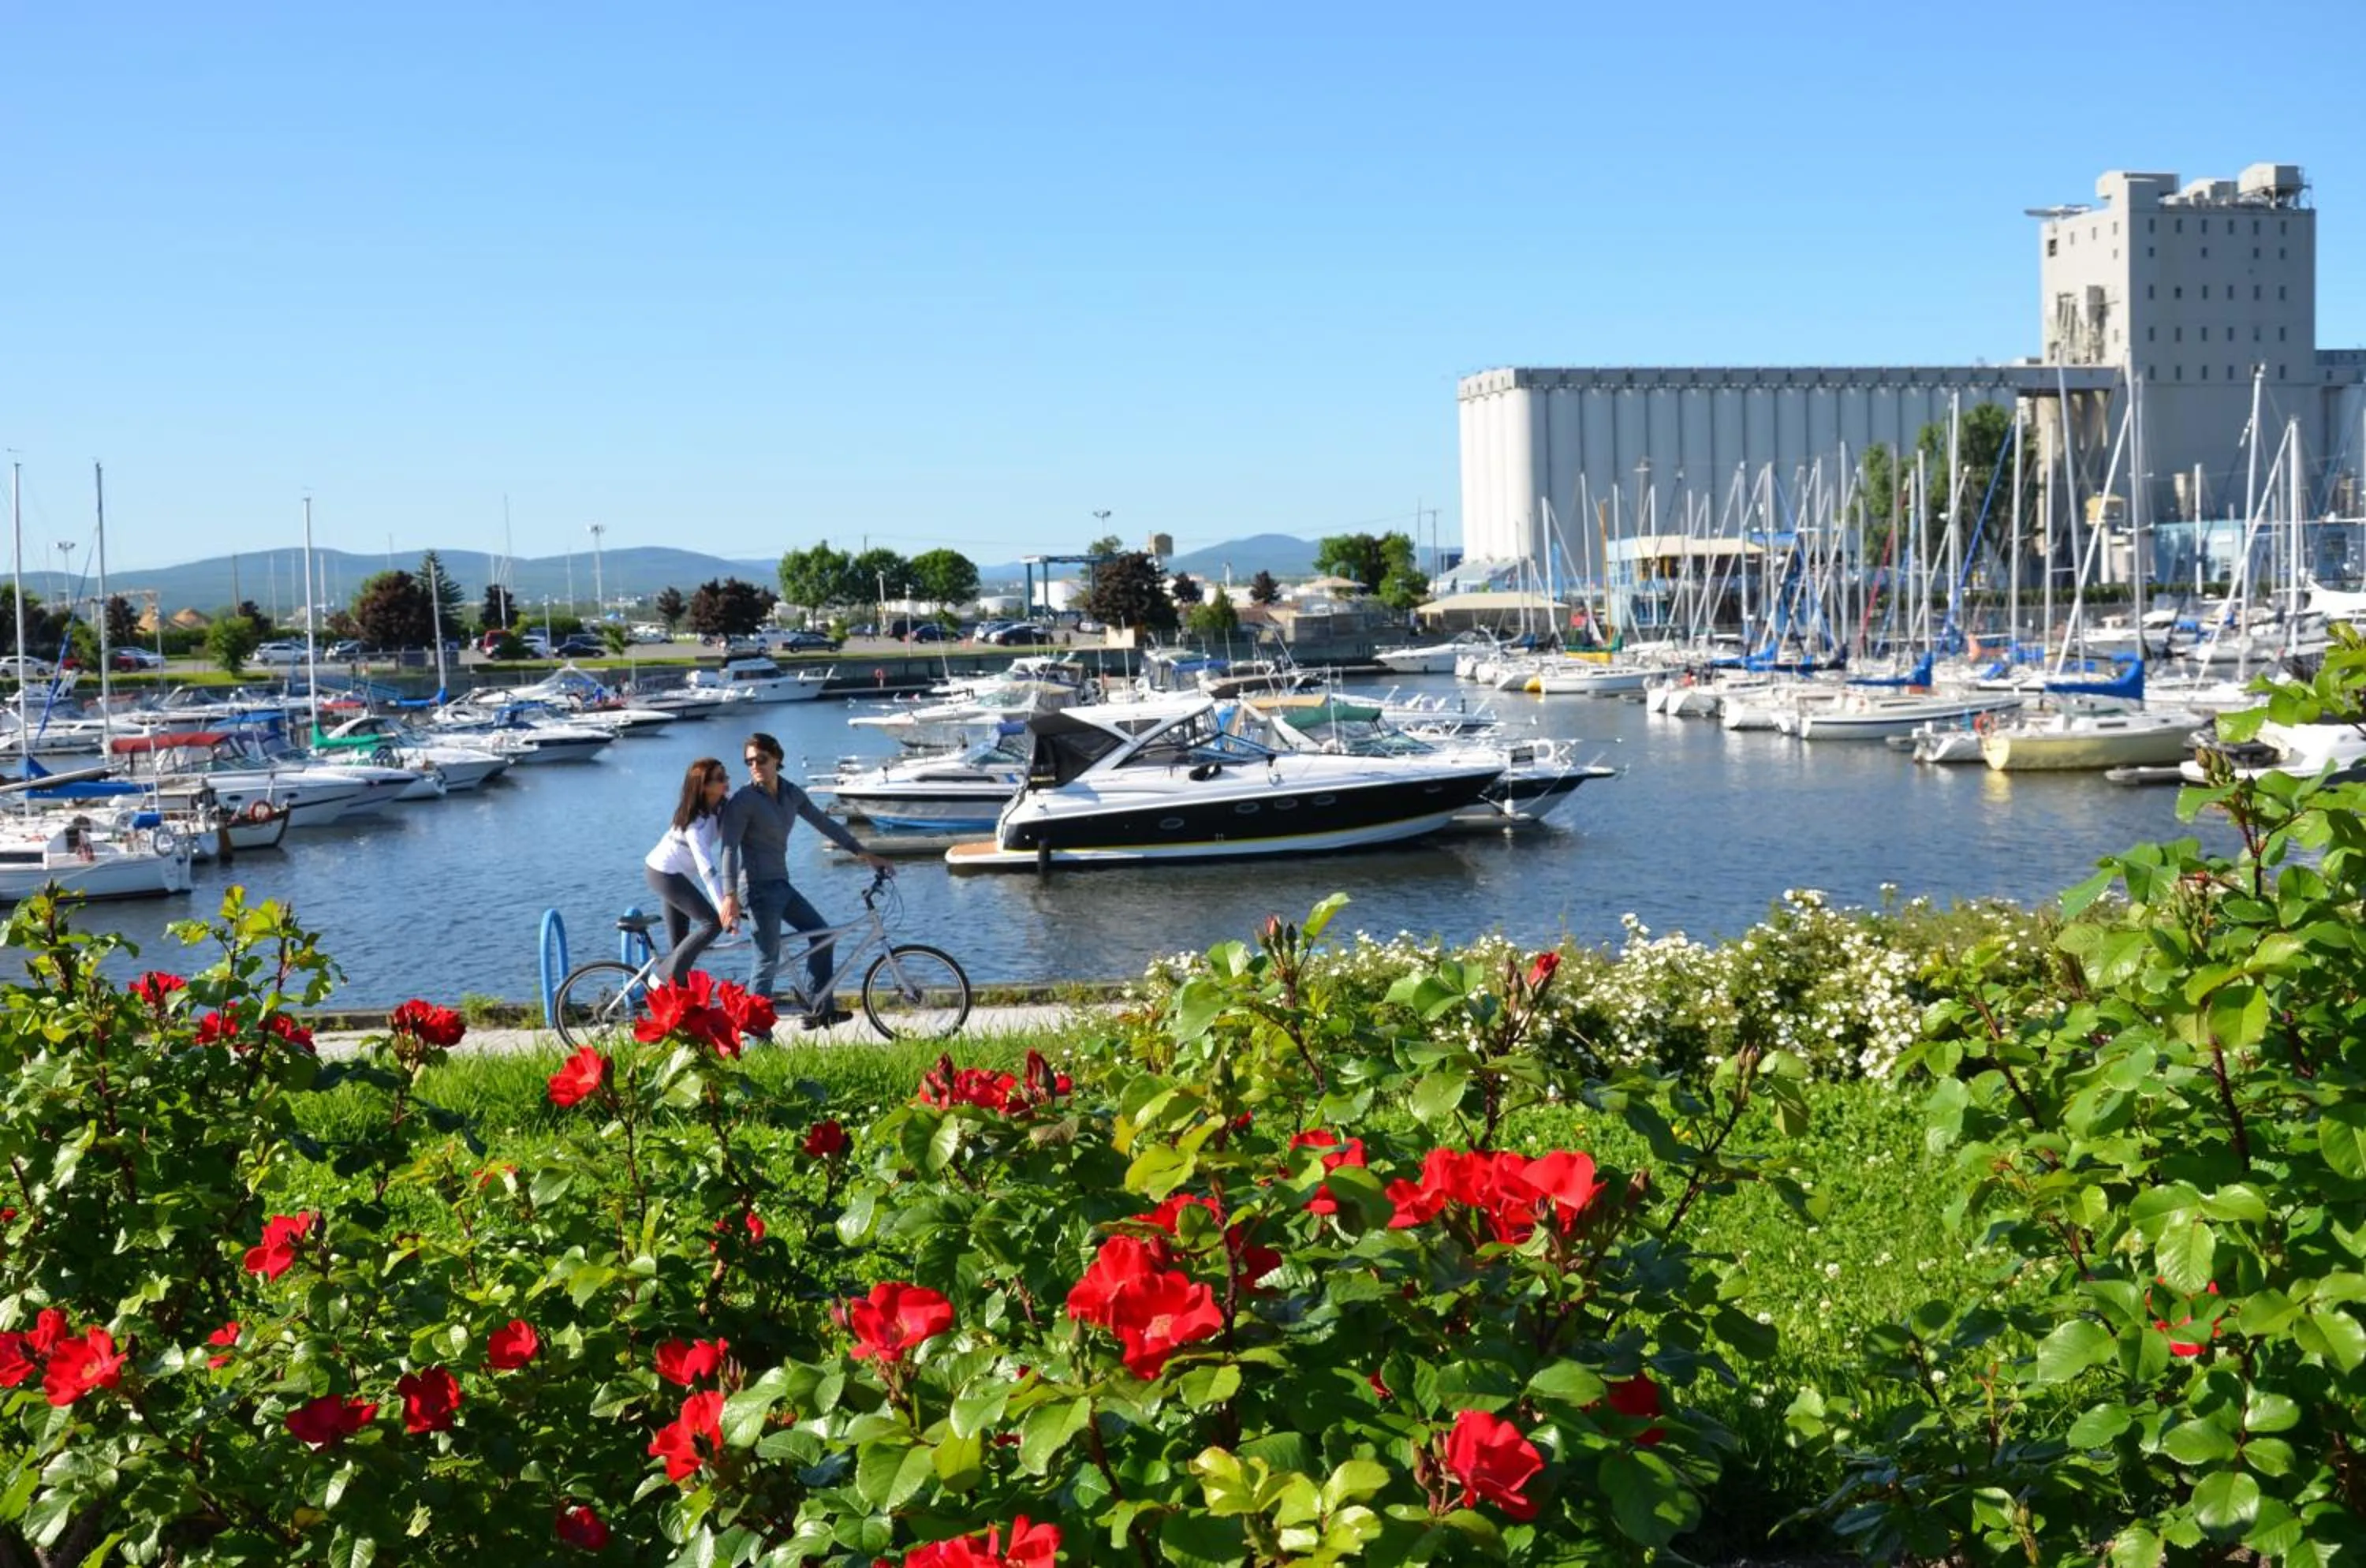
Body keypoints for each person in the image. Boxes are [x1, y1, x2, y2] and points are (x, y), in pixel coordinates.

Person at [716, 731, 895, 1029]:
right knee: (766, 961)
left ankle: (818, 1008)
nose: (755, 766)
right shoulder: (743, 801)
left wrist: (865, 854)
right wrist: (730, 895)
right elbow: (728, 849)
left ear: (777, 759)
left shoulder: (791, 793)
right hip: (757, 891)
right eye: (749, 762)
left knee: (822, 935)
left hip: (781, 885)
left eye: (761, 759)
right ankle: (755, 1036)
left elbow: (824, 824)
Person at [642, 757, 733, 986]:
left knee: (680, 951)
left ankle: (679, 1013)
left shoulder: (720, 806)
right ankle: (659, 978)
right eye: (720, 778)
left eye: (726, 775)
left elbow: (743, 802)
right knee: (712, 924)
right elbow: (707, 870)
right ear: (704, 786)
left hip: (679, 877)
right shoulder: (695, 824)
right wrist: (723, 907)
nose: (727, 781)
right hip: (664, 875)